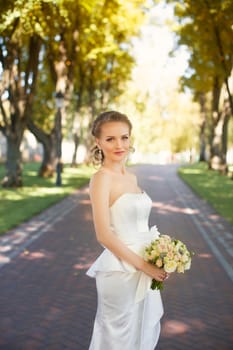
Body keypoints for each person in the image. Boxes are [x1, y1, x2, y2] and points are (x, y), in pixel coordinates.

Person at [86, 111, 167, 350]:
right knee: (117, 339)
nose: (119, 145)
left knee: (138, 336)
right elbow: (104, 235)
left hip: (143, 266)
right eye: (110, 139)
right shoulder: (102, 179)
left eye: (124, 137)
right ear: (98, 142)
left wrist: (161, 257)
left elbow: (139, 225)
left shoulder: (131, 177)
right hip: (120, 271)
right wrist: (145, 266)